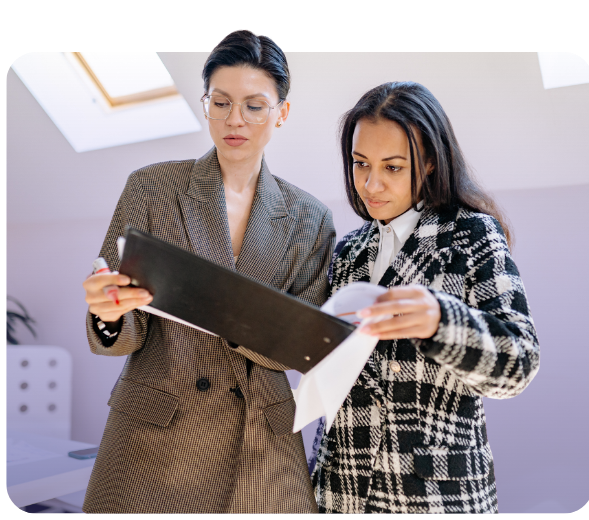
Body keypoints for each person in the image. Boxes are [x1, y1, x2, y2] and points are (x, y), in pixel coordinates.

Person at [81, 30, 334, 514]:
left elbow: (301, 346)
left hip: (259, 444)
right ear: (205, 104)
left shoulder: (310, 217)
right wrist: (108, 313)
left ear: (281, 112)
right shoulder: (152, 187)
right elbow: (124, 329)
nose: (234, 120)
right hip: (154, 436)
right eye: (220, 102)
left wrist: (229, 311)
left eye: (254, 106)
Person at [310, 81, 540, 514]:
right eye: (360, 164)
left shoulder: (472, 234)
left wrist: (441, 322)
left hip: (435, 496)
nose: (370, 183)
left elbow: (520, 362)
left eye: (392, 167)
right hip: (340, 491)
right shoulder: (347, 252)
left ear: (431, 161)